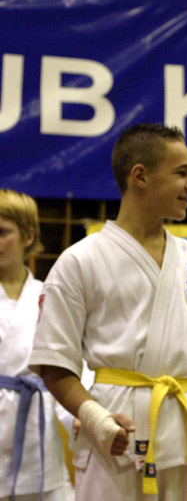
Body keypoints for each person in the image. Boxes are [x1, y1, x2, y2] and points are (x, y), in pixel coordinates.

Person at [28, 123, 187, 501]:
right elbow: (53, 362)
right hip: (115, 433)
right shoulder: (80, 261)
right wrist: (95, 418)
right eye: (182, 173)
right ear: (140, 176)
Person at [0, 189, 69, 501]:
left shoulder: (47, 295)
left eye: (2, 232)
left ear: (28, 236)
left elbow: (67, 366)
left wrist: (80, 416)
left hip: (36, 427)